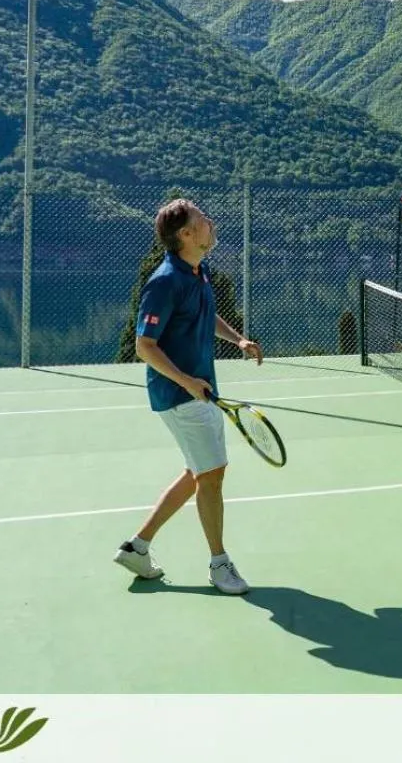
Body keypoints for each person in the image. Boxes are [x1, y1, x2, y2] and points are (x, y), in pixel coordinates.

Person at [113, 198, 264, 592]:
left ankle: (138, 547)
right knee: (211, 476)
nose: (210, 223)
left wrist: (239, 339)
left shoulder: (199, 272)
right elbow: (145, 345)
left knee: (198, 471)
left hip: (200, 391)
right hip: (181, 394)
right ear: (186, 234)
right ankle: (219, 564)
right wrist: (185, 381)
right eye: (202, 220)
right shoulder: (164, 281)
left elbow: (204, 313)